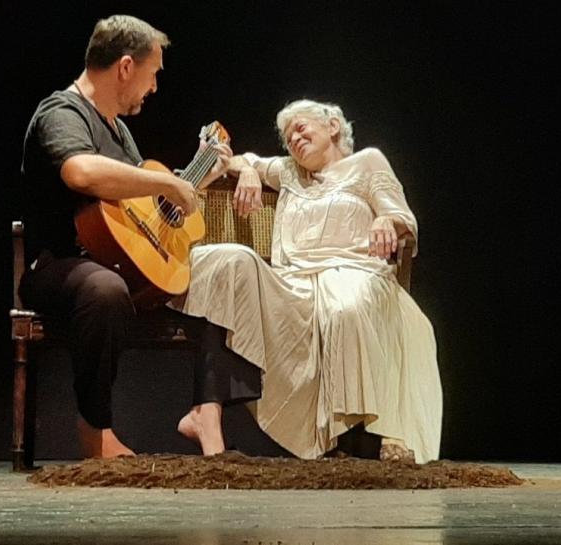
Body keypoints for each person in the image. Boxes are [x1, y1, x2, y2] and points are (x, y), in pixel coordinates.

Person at [19, 15, 260, 458]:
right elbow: (80, 171)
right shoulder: (62, 113)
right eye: (153, 74)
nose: (154, 88)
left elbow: (142, 210)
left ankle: (206, 412)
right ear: (126, 67)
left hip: (118, 264)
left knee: (224, 268)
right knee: (104, 290)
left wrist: (199, 176)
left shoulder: (119, 131)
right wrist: (167, 182)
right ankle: (96, 430)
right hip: (59, 266)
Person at [169, 99, 443, 463]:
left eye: (300, 128)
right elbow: (236, 159)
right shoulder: (287, 171)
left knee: (345, 304)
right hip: (295, 287)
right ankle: (205, 413)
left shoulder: (368, 162)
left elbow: (402, 218)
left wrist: (385, 221)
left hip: (356, 272)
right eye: (288, 138)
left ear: (332, 126)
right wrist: (247, 170)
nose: (294, 140)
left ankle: (354, 435)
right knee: (231, 260)